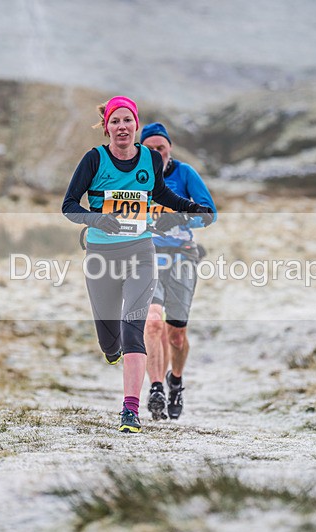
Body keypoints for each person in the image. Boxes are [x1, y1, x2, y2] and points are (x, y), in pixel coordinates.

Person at [61, 96, 213, 433]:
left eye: (127, 120)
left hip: (141, 254)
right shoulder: (94, 160)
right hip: (102, 256)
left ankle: (130, 411)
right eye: (115, 121)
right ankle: (111, 349)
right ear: (107, 128)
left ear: (136, 126)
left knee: (137, 328)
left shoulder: (149, 159)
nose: (122, 127)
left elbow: (160, 194)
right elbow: (69, 206)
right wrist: (98, 220)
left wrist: (188, 207)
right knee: (109, 340)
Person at [140, 122, 216, 421]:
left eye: (161, 148)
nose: (156, 153)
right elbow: (115, 209)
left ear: (169, 148)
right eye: (150, 149)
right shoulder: (134, 176)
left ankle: (176, 381)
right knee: (152, 322)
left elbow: (209, 213)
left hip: (182, 257)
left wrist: (180, 218)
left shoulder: (185, 174)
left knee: (176, 335)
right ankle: (156, 388)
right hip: (145, 257)